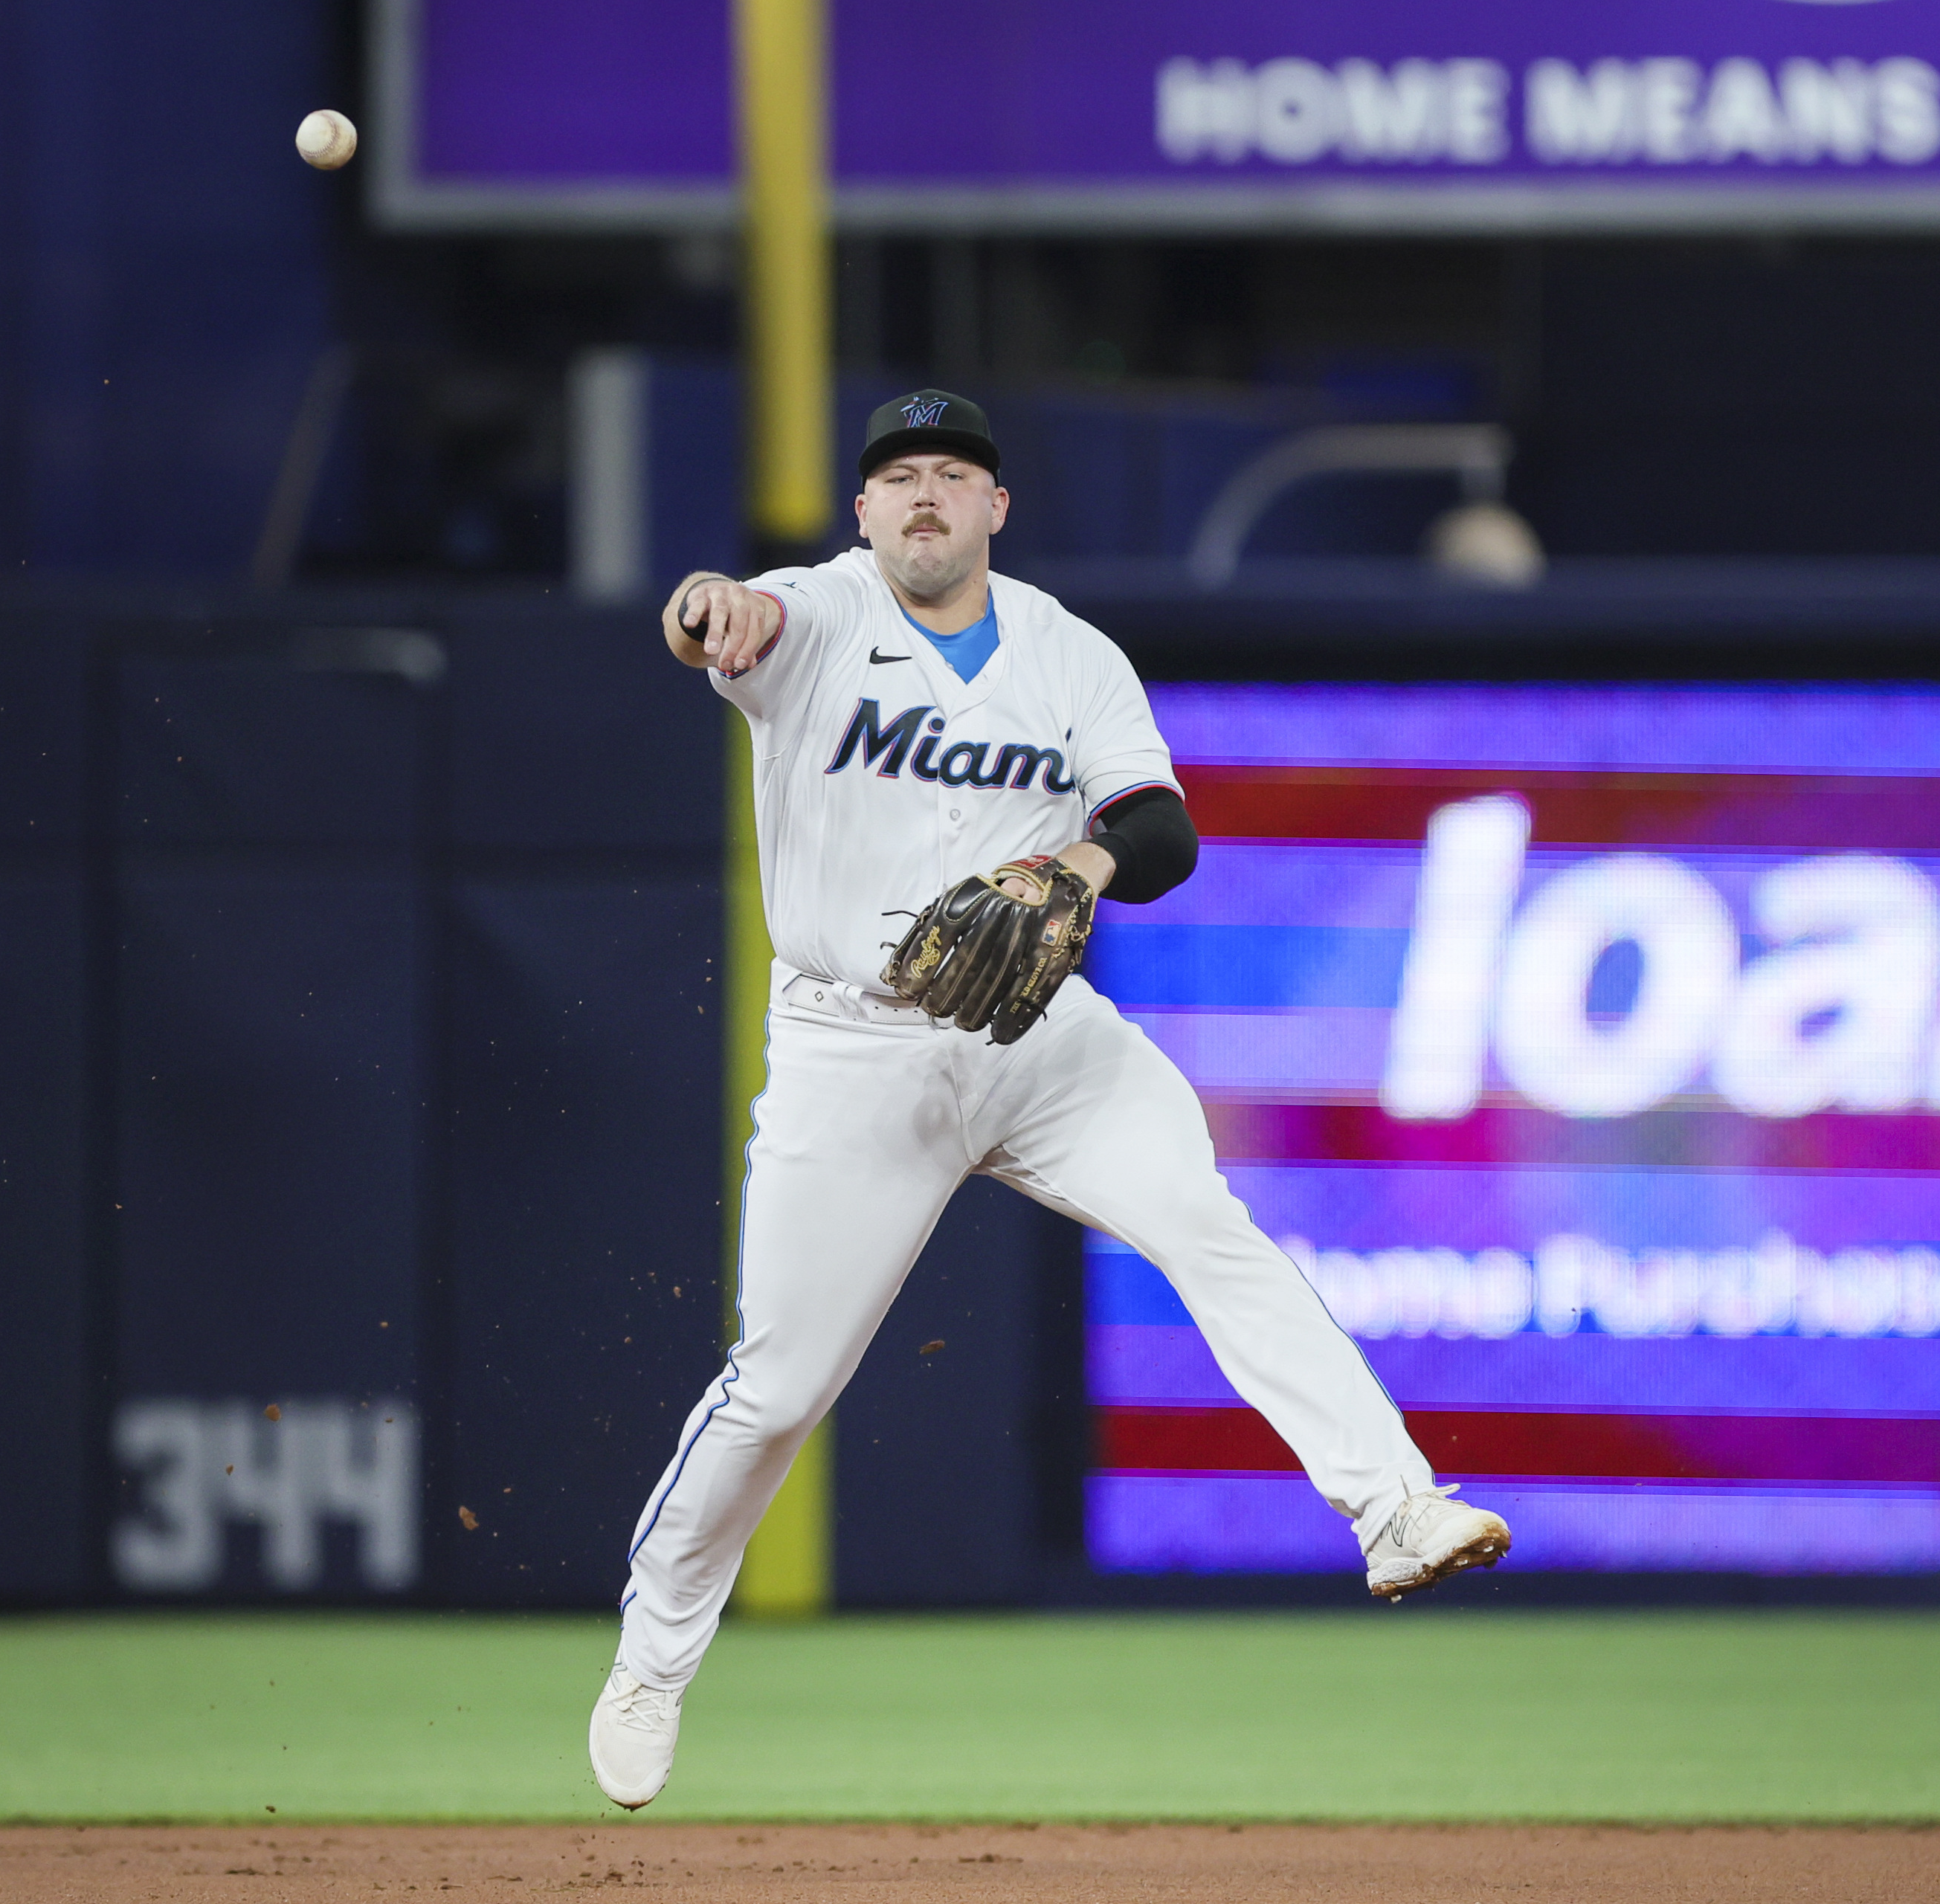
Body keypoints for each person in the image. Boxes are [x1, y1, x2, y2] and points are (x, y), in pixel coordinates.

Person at [587, 390, 1509, 1810]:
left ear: (996, 508)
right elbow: (713, 619)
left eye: (952, 474)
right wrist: (705, 605)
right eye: (897, 478)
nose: (924, 498)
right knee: (776, 1393)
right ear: (862, 511)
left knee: (1210, 1230)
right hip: (856, 1048)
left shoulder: (1069, 654)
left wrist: (1069, 870)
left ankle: (1394, 1508)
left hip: (1038, 1038)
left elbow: (1162, 829)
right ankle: (654, 1660)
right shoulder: (813, 616)